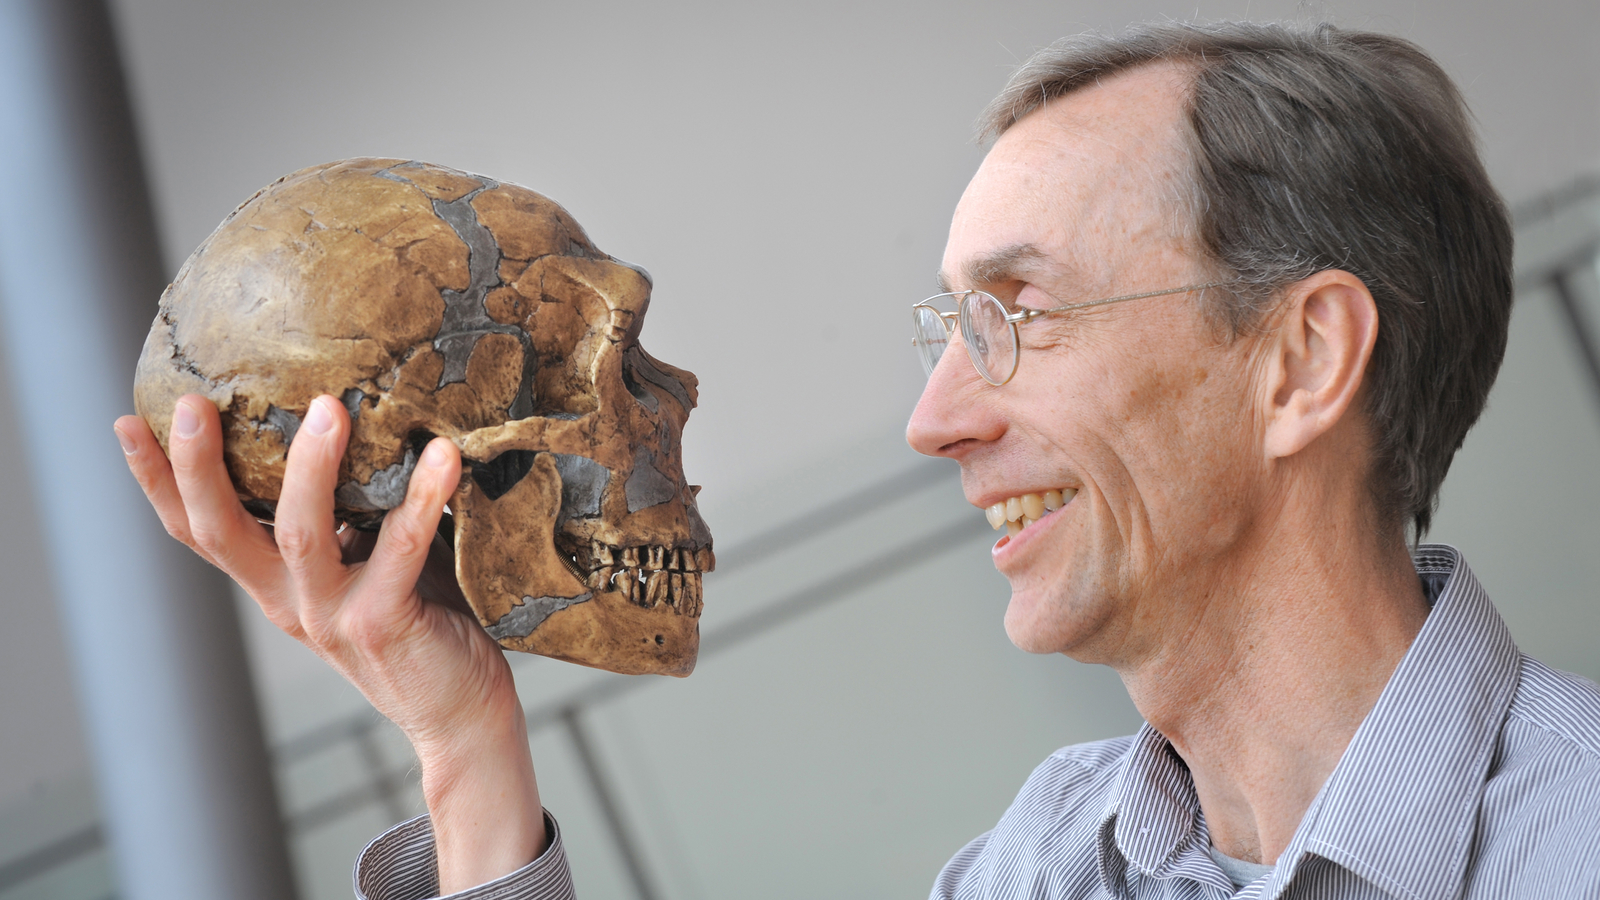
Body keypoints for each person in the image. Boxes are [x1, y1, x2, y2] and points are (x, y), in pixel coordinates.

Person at [113, 20, 1600, 900]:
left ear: (1304, 362)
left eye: (1017, 315)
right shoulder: (1030, 869)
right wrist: (463, 748)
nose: (935, 417)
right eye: (947, 327)